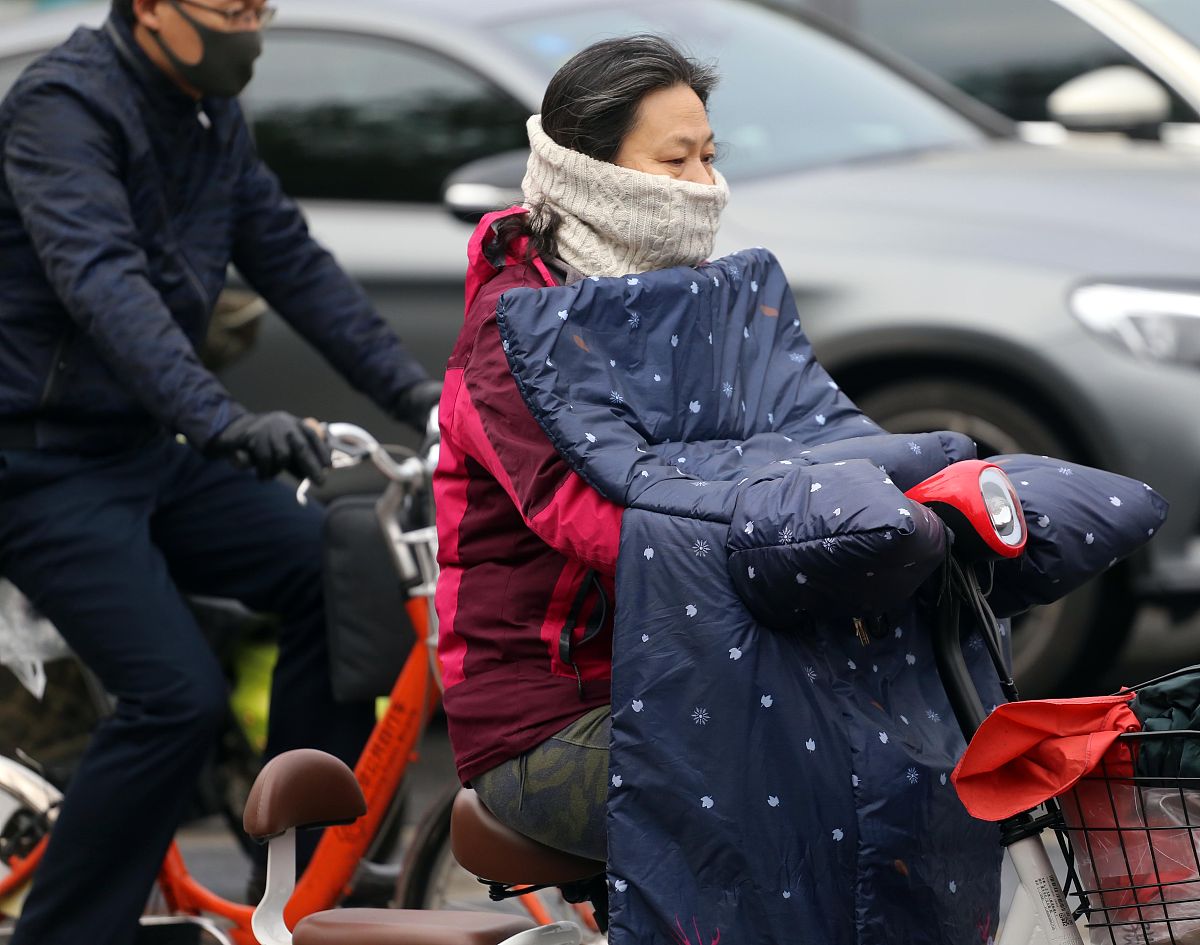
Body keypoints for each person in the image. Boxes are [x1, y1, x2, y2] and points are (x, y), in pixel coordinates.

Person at [0, 1, 440, 943]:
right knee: (178, 697)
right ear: (151, 7)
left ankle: (293, 892)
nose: (252, 24)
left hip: (140, 453)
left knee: (334, 563)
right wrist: (223, 422)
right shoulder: (63, 109)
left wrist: (426, 400)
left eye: (260, 5)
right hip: (38, 467)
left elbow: (290, 260)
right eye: (230, 6)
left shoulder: (207, 110)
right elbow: (102, 282)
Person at [434, 34, 727, 863]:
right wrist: (761, 534)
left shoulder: (681, 303)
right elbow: (590, 514)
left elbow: (780, 437)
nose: (704, 187)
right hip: (545, 715)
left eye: (709, 156)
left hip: (673, 679)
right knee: (782, 798)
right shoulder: (512, 331)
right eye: (676, 162)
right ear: (592, 172)